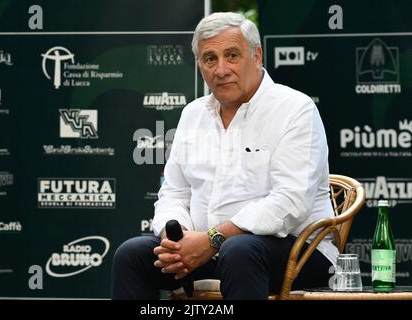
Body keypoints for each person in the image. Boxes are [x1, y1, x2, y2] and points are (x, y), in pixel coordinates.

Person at [111, 12, 337, 300]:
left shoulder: (295, 109)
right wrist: (175, 237)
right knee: (132, 254)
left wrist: (212, 240)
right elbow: (174, 193)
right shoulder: (193, 114)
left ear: (256, 56)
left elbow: (290, 202)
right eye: (209, 59)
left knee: (239, 251)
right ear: (199, 66)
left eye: (232, 55)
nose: (220, 69)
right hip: (207, 251)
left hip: (298, 251)